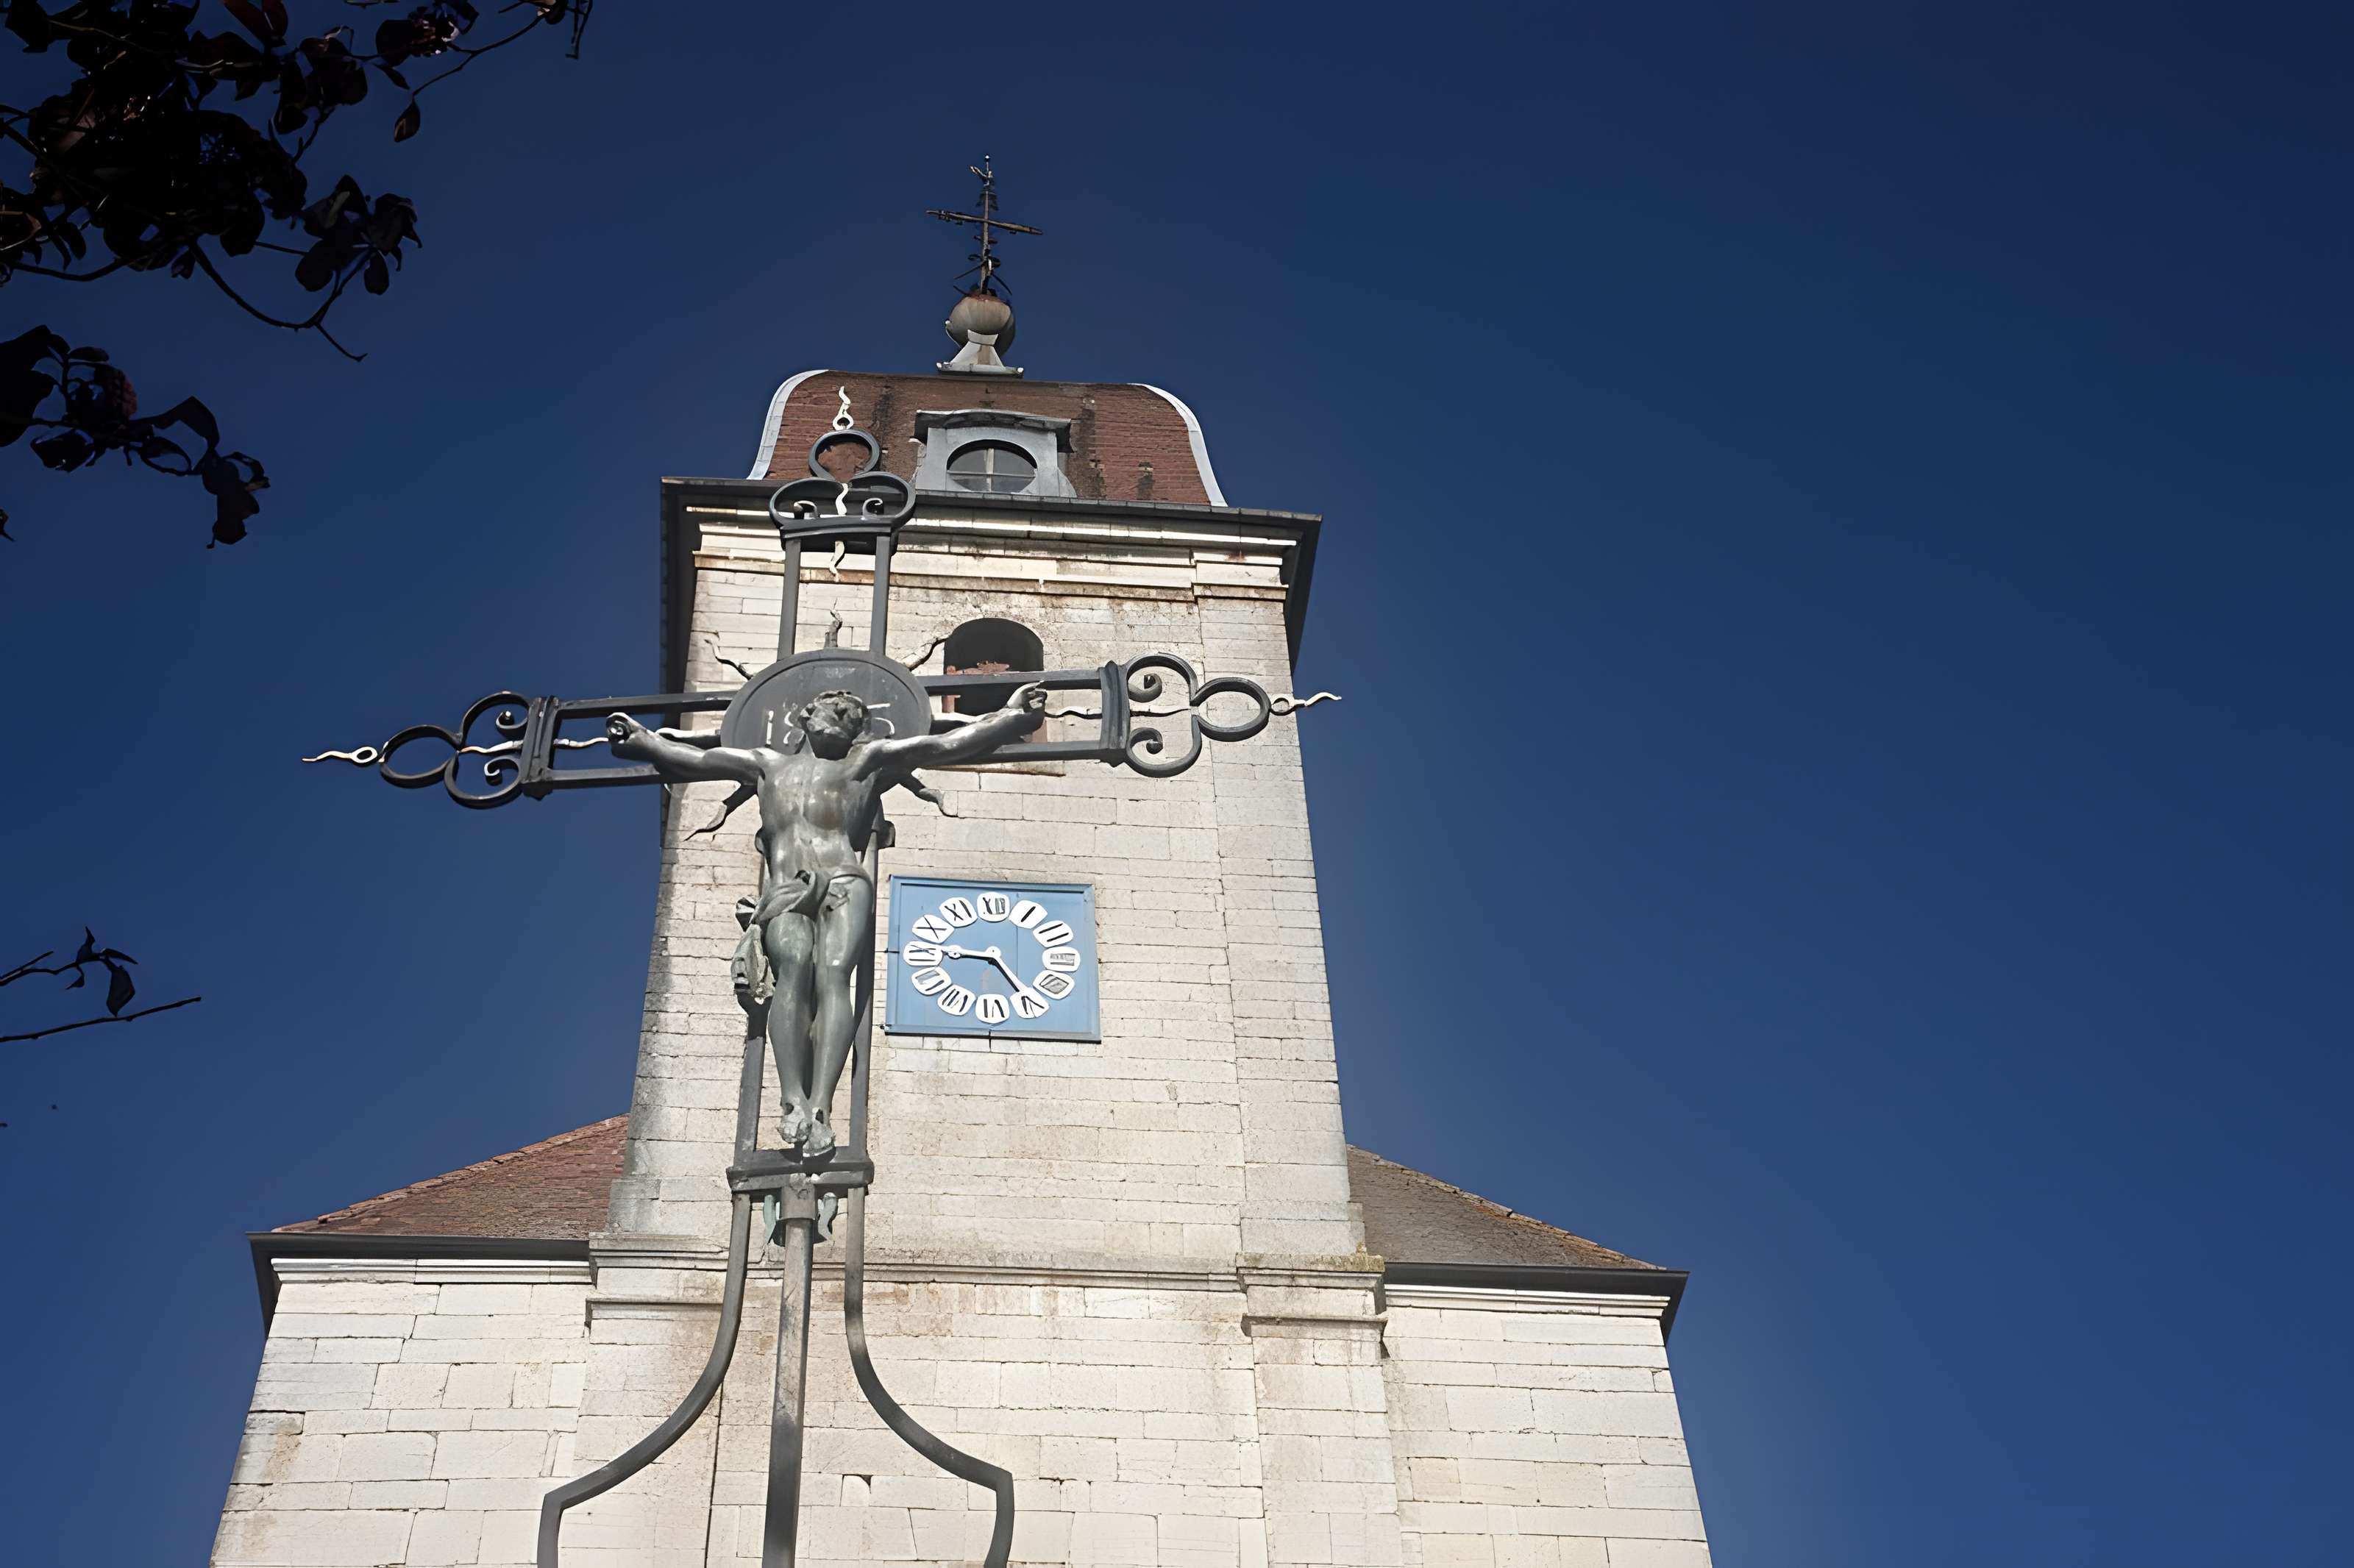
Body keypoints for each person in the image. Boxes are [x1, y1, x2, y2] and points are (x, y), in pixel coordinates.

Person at [607, 681, 1047, 1158]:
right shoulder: (765, 763)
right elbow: (696, 762)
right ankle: (792, 1094)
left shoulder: (866, 761)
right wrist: (642, 740)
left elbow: (941, 744)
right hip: (785, 889)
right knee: (793, 967)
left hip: (844, 879)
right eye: (837, 707)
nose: (847, 716)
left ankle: (821, 1105)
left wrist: (1012, 719)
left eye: (856, 715)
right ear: (805, 715)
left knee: (835, 975)